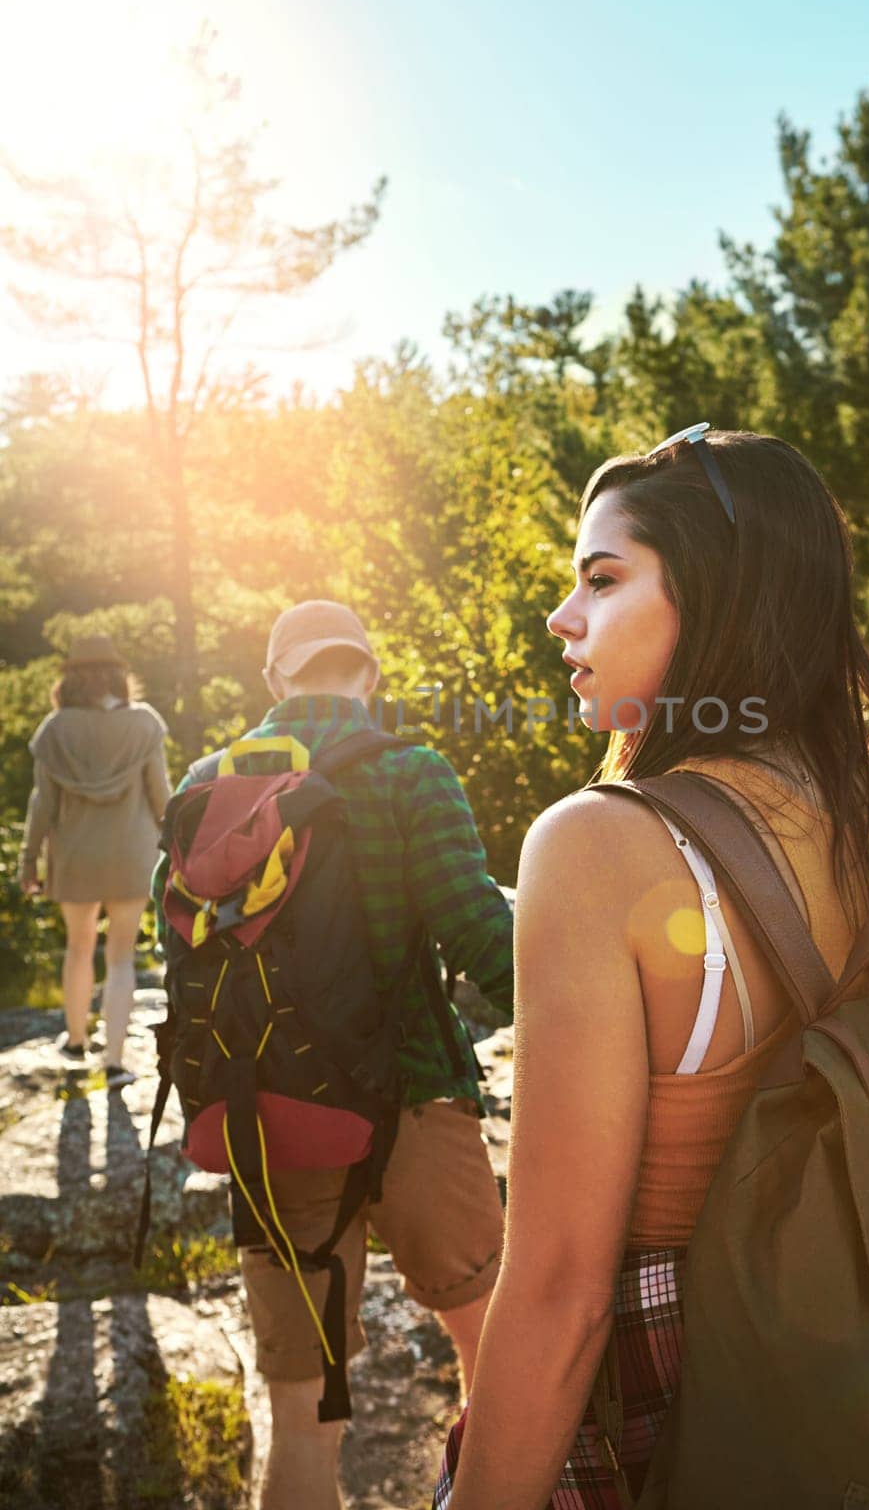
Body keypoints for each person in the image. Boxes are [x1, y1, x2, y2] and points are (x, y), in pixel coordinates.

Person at [435, 427, 869, 1510]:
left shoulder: (594, 844)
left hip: (672, 1387)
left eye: (602, 577)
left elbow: (560, 1293)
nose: (560, 615)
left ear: (715, 594)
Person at [152, 599, 513, 1510]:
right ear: (368, 674)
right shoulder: (412, 772)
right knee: (496, 1353)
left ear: (275, 679)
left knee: (301, 1410)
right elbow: (475, 930)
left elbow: (182, 958)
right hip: (417, 1099)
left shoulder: (204, 785)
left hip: (270, 1116)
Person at [18, 635, 171, 1089]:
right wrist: (180, 844)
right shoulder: (144, 725)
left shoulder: (55, 729)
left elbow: (41, 805)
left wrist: (30, 861)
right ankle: (117, 1060)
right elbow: (161, 795)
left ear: (71, 678)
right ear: (119, 674)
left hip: (75, 855)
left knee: (79, 947)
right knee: (122, 957)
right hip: (133, 854)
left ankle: (77, 1040)